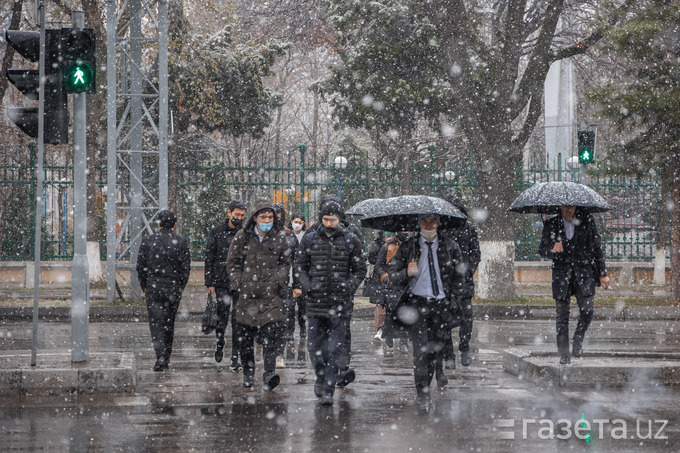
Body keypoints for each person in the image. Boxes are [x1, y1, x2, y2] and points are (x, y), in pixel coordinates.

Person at [380, 213, 465, 413]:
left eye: (432, 221)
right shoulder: (408, 247)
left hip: (440, 305)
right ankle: (423, 393)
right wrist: (406, 273)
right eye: (424, 222)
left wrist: (454, 299)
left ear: (438, 223)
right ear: (418, 224)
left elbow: (460, 276)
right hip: (417, 304)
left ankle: (428, 381)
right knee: (420, 351)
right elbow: (391, 274)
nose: (428, 225)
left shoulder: (450, 246)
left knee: (435, 351)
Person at [295, 200, 366, 405]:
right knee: (313, 346)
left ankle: (328, 388)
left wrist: (348, 286)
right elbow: (300, 267)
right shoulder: (309, 240)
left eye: (332, 219)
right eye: (325, 219)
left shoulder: (350, 240)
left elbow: (360, 269)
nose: (329, 223)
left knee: (335, 348)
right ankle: (320, 374)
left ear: (339, 219)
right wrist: (308, 286)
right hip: (316, 302)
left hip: (340, 304)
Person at [226, 198, 291, 390]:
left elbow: (285, 263)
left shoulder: (279, 237)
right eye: (263, 216)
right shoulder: (242, 236)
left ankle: (269, 374)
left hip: (271, 297)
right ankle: (248, 373)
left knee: (271, 336)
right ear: (255, 217)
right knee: (246, 339)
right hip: (247, 297)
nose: (267, 220)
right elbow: (232, 263)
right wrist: (240, 283)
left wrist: (278, 281)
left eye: (270, 216)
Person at [538, 205, 609, 364]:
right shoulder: (552, 224)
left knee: (587, 310)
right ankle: (564, 354)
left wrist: (602, 273)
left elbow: (597, 247)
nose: (569, 209)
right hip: (562, 275)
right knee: (562, 316)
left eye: (571, 206)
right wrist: (552, 249)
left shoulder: (587, 221)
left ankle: (578, 339)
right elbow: (541, 249)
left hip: (584, 273)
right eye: (565, 206)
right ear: (560, 207)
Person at [136, 210, 191, 371]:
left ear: (159, 224)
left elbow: (141, 266)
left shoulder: (148, 241)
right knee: (169, 323)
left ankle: (160, 354)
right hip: (172, 287)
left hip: (154, 286)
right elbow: (185, 268)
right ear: (174, 224)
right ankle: (166, 356)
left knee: (156, 323)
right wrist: (180, 286)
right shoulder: (181, 242)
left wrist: (144, 285)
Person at [204, 200, 247, 371]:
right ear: (229, 213)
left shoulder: (245, 233)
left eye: (243, 215)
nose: (239, 218)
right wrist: (209, 282)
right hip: (221, 279)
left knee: (238, 320)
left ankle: (235, 356)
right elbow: (209, 256)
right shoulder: (217, 232)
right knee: (222, 318)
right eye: (237, 215)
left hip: (240, 280)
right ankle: (220, 341)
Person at [440, 194, 481, 370]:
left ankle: (464, 349)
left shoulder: (469, 228)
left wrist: (468, 271)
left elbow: (475, 253)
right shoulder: (440, 229)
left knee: (466, 318)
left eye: (456, 208)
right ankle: (448, 355)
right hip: (445, 282)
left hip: (464, 282)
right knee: (445, 319)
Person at [374, 231, 412, 355]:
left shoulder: (412, 246)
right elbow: (379, 265)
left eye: (407, 231)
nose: (404, 234)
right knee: (390, 311)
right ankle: (389, 335)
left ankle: (403, 342)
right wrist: (385, 277)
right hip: (390, 284)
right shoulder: (387, 246)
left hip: (406, 284)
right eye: (402, 231)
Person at [286, 213, 308, 343]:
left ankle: (303, 329)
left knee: (302, 307)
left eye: (300, 222)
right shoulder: (288, 236)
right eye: (295, 221)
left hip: (303, 275)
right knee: (289, 307)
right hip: (290, 274)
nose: (297, 224)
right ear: (291, 221)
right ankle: (290, 331)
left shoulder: (306, 236)